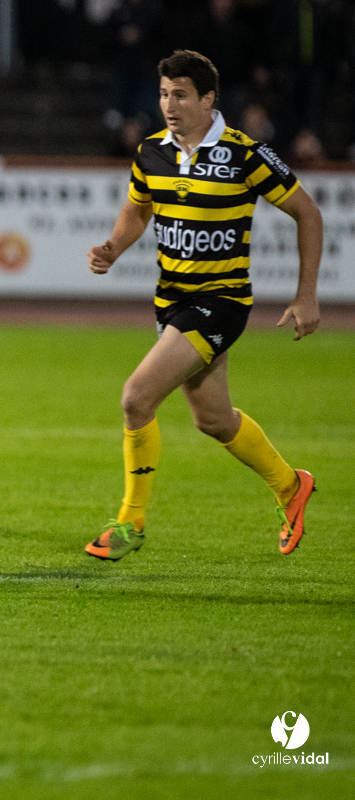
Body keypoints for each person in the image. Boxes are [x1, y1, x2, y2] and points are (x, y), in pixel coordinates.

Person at [85, 50, 321, 562]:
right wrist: (113, 247)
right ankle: (291, 486)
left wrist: (305, 295)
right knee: (213, 420)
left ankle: (130, 523)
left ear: (208, 99)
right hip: (171, 300)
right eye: (164, 94)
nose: (169, 104)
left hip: (222, 301)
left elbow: (307, 212)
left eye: (181, 95)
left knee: (136, 398)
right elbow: (136, 209)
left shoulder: (245, 154)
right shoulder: (151, 153)